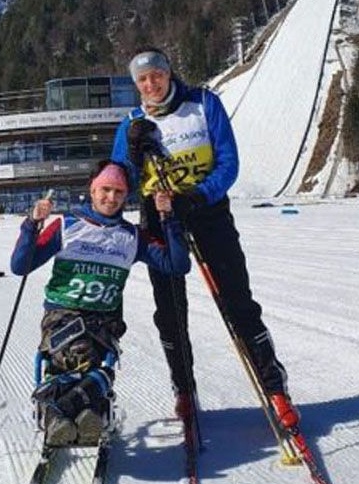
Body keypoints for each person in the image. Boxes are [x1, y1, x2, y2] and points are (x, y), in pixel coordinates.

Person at [110, 47, 299, 430]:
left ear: (168, 73)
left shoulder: (202, 104)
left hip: (206, 210)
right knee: (170, 311)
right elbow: (120, 179)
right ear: (136, 85)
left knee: (237, 301)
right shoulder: (131, 122)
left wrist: (196, 197)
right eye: (143, 80)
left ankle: (274, 388)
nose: (151, 84)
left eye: (156, 75)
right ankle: (184, 389)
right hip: (160, 219)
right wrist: (132, 152)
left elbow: (228, 163)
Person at [10, 160, 191, 446]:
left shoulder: (132, 236)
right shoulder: (67, 225)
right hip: (63, 316)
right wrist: (32, 224)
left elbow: (177, 265)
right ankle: (72, 412)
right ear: (92, 191)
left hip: (104, 323)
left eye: (119, 192)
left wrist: (168, 218)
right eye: (105, 189)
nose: (111, 197)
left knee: (98, 366)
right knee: (79, 359)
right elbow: (20, 265)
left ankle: (63, 412)